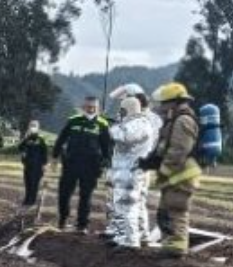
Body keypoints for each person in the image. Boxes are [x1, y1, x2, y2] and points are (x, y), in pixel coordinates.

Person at [141, 82, 202, 257]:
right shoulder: (175, 118)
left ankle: (177, 248)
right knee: (165, 212)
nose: (161, 107)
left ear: (174, 102)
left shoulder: (183, 120)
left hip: (181, 175)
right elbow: (165, 147)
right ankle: (170, 245)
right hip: (175, 174)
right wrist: (151, 162)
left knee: (176, 210)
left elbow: (178, 150)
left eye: (164, 103)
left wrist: (164, 171)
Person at [52, 96, 112, 233]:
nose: (91, 109)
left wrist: (106, 163)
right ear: (83, 107)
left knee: (86, 196)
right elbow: (61, 139)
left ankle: (82, 225)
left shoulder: (103, 124)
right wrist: (55, 156)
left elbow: (107, 147)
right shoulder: (73, 121)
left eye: (94, 107)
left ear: (98, 108)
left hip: (91, 167)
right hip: (71, 163)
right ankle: (62, 220)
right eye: (88, 107)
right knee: (64, 193)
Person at [106, 96, 157, 249]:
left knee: (127, 205)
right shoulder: (135, 123)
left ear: (128, 109)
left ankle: (130, 240)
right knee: (131, 205)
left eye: (122, 110)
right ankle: (133, 237)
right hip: (128, 170)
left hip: (131, 170)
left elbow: (124, 137)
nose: (120, 113)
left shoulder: (139, 124)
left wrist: (113, 127)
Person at [17, 121, 49, 208]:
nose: (33, 127)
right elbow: (19, 148)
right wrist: (25, 139)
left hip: (38, 165)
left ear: (38, 128)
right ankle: (27, 199)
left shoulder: (41, 139)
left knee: (34, 183)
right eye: (31, 126)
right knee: (28, 182)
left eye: (34, 126)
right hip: (28, 165)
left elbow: (45, 152)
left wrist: (44, 165)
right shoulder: (27, 138)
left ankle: (32, 200)